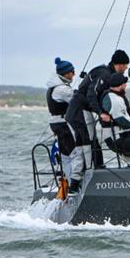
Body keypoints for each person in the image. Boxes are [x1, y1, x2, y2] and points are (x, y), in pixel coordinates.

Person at [65, 49, 130, 187]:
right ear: (119, 64)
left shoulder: (108, 73)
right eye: (125, 65)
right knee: (87, 143)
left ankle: (93, 170)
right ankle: (88, 176)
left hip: (81, 110)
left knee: (91, 142)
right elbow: (91, 94)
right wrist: (101, 113)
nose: (126, 68)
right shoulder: (105, 74)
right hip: (79, 110)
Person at [46, 57, 78, 190]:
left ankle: (67, 182)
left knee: (65, 155)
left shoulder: (54, 87)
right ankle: (72, 184)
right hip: (63, 124)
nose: (74, 74)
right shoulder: (61, 89)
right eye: (72, 72)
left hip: (56, 123)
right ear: (65, 74)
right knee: (74, 153)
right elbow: (76, 100)